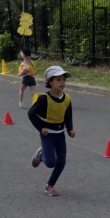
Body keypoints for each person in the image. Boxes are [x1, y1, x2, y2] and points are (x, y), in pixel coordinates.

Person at [27, 65, 76, 197]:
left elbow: (68, 116)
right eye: (58, 80)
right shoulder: (44, 99)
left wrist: (70, 129)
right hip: (47, 134)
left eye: (63, 80)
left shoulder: (67, 99)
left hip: (60, 134)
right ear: (50, 82)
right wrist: (41, 128)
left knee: (61, 162)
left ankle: (50, 185)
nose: (62, 82)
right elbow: (31, 114)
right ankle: (41, 155)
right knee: (50, 163)